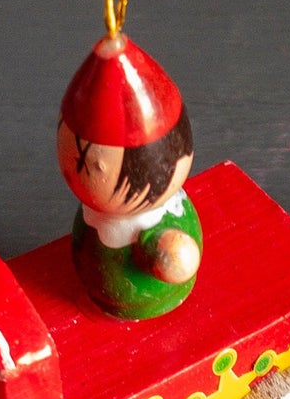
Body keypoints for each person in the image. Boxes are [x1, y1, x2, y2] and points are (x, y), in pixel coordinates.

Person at [57, 33, 203, 320]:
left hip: (143, 283)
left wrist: (168, 251)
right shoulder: (101, 218)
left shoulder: (159, 207)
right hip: (112, 287)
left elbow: (181, 260)